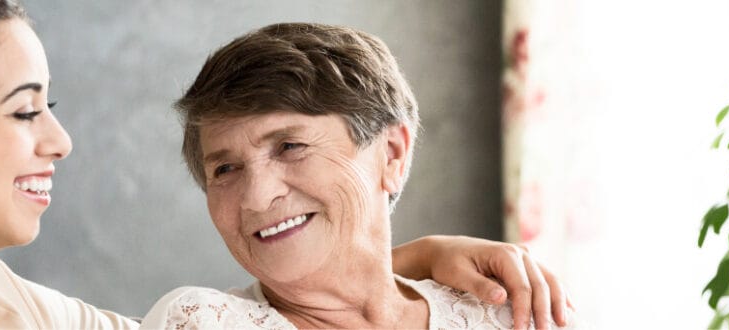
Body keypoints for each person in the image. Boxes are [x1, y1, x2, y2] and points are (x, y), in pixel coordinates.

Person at [0, 1, 568, 329]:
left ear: (390, 151)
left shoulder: (11, 312)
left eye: (289, 146)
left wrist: (416, 261)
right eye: (24, 109)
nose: (59, 140)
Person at [142, 22, 575, 329]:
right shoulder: (198, 322)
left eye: (290, 147)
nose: (256, 197)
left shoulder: (507, 314)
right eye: (225, 168)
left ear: (391, 153)